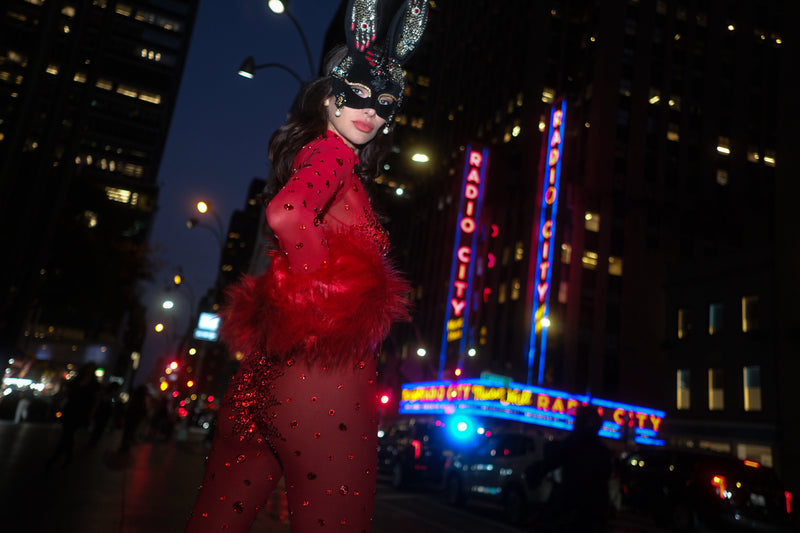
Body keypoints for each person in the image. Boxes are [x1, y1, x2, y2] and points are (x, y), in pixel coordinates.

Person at [184, 2, 429, 531]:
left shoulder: (329, 160)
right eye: (359, 93)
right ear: (328, 96)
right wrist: (328, 303)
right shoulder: (333, 154)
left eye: (387, 103)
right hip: (324, 387)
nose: (373, 110)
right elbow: (287, 213)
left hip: (263, 381)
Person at [526, 405, 613, 533]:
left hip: (575, 506)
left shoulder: (577, 442)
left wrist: (536, 471)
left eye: (577, 420)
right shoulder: (601, 450)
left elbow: (554, 458)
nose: (574, 423)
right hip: (593, 509)